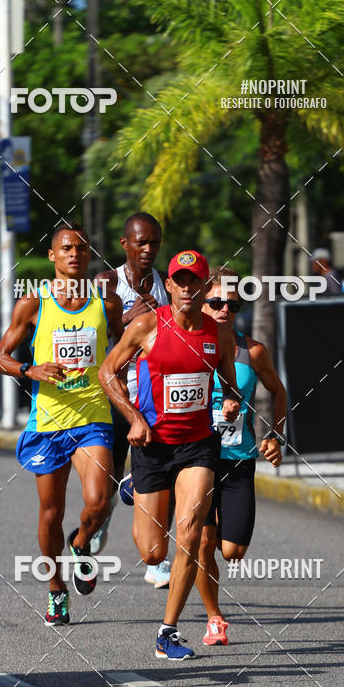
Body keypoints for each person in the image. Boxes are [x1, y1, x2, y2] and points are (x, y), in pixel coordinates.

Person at [100, 250, 241, 659]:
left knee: (192, 535)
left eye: (193, 281)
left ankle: (168, 631)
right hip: (151, 446)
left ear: (204, 287)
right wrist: (132, 419)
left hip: (198, 444)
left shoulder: (218, 336)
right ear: (172, 284)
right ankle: (134, 489)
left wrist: (230, 402)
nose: (185, 287)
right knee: (152, 552)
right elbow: (107, 371)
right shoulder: (148, 326)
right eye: (178, 280)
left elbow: (230, 385)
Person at [0, 222, 124, 625]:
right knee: (51, 513)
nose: (74, 254)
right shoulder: (34, 303)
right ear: (52, 255)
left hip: (92, 417)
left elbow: (126, 348)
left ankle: (81, 542)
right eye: (67, 248)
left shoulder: (107, 302)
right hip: (49, 423)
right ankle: (55, 588)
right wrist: (29, 370)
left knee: (99, 502)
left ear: (89, 255)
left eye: (82, 249)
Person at [194, 268, 287, 646]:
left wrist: (275, 436)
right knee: (202, 542)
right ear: (201, 302)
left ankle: (214, 535)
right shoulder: (188, 347)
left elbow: (278, 392)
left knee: (231, 551)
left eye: (232, 304)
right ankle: (214, 618)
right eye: (215, 302)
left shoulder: (253, 352)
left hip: (239, 457)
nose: (223, 310)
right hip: (197, 457)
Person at [92, 212, 172, 588]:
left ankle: (156, 562)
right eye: (141, 242)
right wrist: (129, 319)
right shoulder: (106, 282)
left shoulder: (166, 284)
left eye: (154, 242)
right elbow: (95, 337)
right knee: (103, 487)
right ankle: (97, 527)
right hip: (117, 398)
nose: (148, 249)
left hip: (155, 399)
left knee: (161, 480)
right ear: (125, 244)